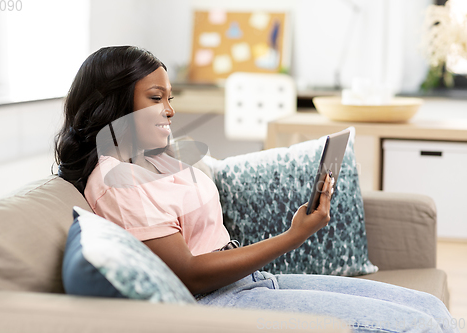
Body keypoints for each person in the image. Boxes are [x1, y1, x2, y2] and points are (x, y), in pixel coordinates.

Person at [55, 46, 459, 333]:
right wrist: (293, 237)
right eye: (156, 98)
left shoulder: (152, 156)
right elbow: (191, 275)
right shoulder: (116, 183)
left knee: (432, 308)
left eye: (170, 97)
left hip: (247, 282)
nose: (171, 110)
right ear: (114, 104)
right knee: (418, 326)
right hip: (215, 303)